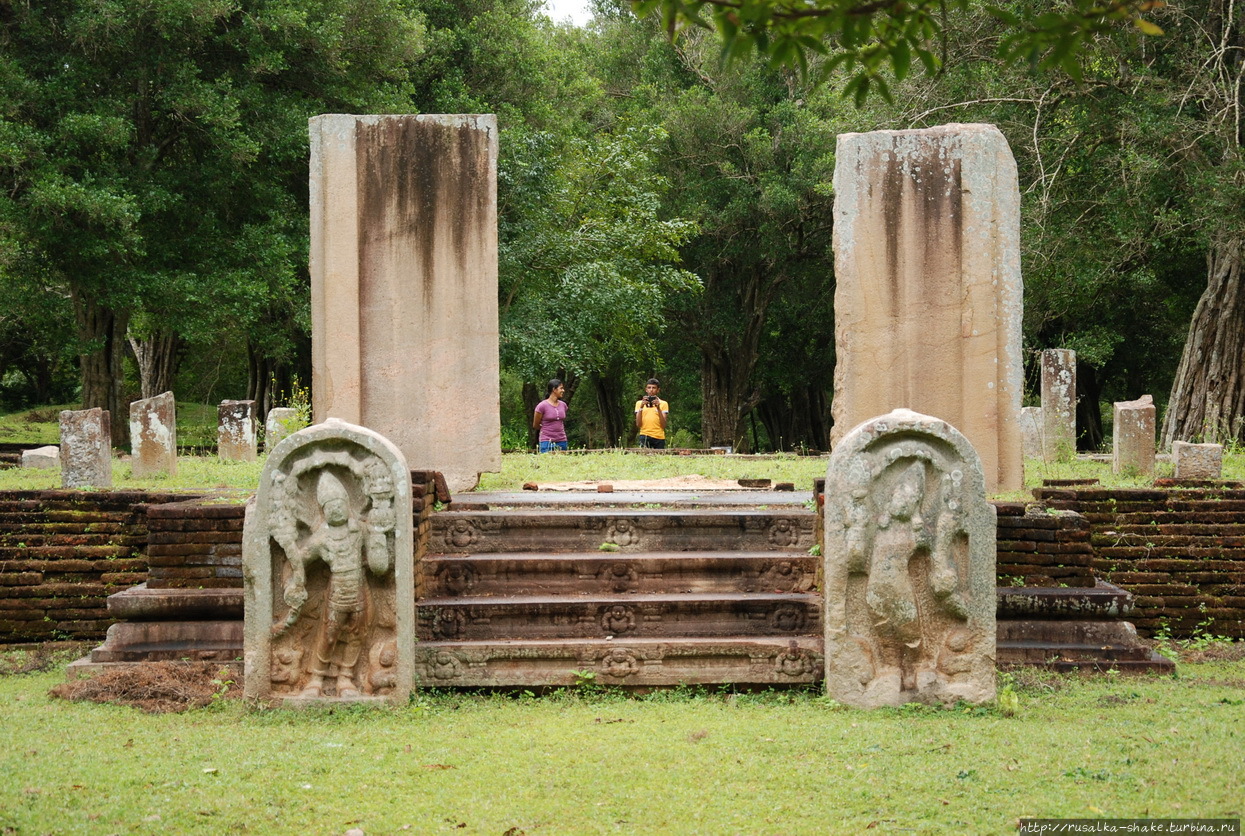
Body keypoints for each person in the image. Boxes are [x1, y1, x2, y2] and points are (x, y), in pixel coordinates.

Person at [533, 378, 569, 453]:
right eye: (561, 388)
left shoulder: (563, 405)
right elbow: (536, 425)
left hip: (562, 440)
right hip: (546, 441)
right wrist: (548, 430)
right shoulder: (542, 406)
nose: (563, 390)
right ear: (554, 389)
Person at [634, 378, 669, 449]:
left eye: (654, 388)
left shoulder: (663, 403)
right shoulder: (639, 403)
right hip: (644, 435)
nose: (651, 390)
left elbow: (663, 425)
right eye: (649, 387)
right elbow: (638, 424)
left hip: (659, 436)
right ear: (646, 389)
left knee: (659, 458)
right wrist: (641, 407)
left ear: (658, 390)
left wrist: (658, 408)